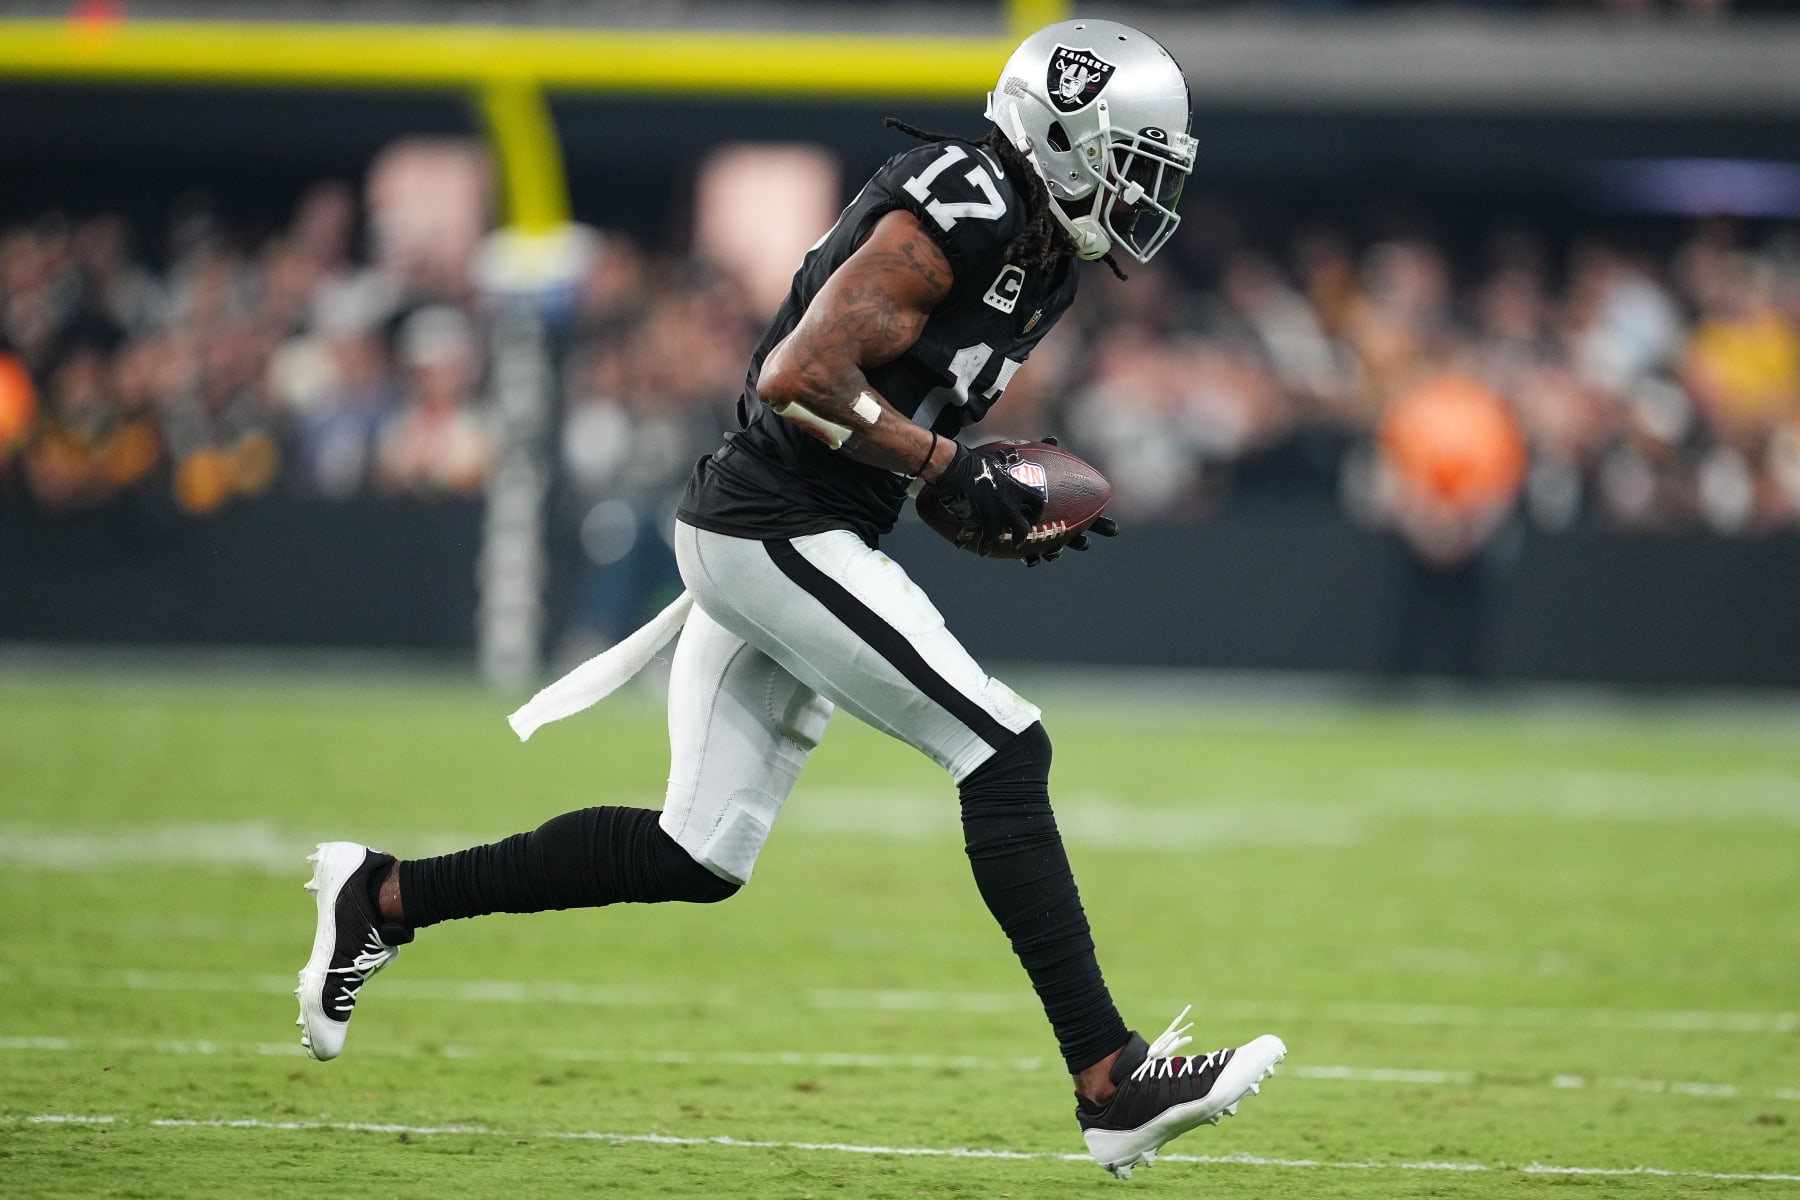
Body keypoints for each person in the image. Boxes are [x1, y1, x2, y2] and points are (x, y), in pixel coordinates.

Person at [296, 19, 1285, 1178]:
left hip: (805, 525)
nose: (1144, 190)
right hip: (774, 523)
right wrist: (945, 467)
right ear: (1063, 136)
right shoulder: (965, 198)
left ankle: (384, 896)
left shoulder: (1044, 251)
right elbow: (800, 374)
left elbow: (898, 424)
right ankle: (1109, 1081)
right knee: (1003, 750)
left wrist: (970, 490)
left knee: (697, 853)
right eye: (1130, 158)